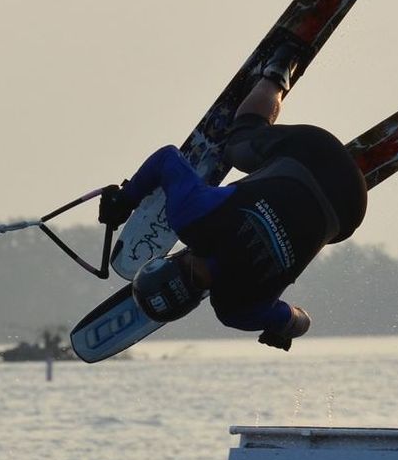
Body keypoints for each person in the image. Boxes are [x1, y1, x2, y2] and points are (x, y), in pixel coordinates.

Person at [96, 42, 367, 350]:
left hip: (350, 205)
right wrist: (126, 199)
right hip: (315, 150)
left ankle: (320, 202)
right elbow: (166, 159)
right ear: (169, 261)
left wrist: (281, 328)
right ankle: (278, 70)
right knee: (240, 146)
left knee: (322, 230)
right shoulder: (192, 218)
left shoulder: (237, 310)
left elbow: (302, 321)